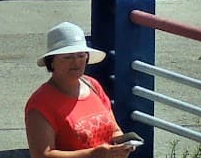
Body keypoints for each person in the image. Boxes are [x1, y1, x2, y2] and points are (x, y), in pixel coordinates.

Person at [24, 22, 137, 158]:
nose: (76, 62)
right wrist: (92, 155)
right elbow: (42, 155)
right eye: (67, 57)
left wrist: (122, 146)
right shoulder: (41, 104)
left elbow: (114, 131)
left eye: (81, 56)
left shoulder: (92, 85)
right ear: (51, 62)